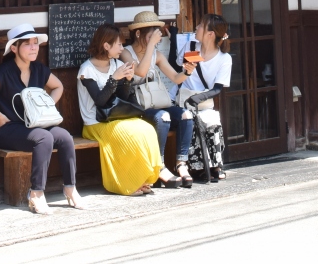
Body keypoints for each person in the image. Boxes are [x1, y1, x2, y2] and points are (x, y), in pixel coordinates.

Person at [0, 23, 86, 214]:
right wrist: (0, 116)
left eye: (35, 43)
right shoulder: (4, 72)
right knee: (44, 138)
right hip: (9, 129)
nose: (34, 47)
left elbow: (58, 86)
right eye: (27, 44)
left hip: (36, 124)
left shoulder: (39, 69)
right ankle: (36, 194)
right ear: (14, 48)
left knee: (65, 137)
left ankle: (70, 188)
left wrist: (46, 108)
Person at [77, 23, 180, 194]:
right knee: (129, 135)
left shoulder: (117, 64)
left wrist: (127, 81)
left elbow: (122, 98)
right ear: (106, 45)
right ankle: (129, 183)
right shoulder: (87, 69)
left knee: (146, 129)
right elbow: (100, 101)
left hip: (116, 117)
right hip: (95, 123)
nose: (121, 48)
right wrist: (114, 79)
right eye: (118, 44)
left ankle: (145, 178)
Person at [122, 11, 197, 187]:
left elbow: (176, 78)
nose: (155, 41)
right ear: (138, 33)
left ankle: (181, 163)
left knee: (186, 115)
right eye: (151, 37)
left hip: (156, 102)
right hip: (137, 105)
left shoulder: (156, 55)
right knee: (163, 117)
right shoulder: (126, 52)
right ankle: (159, 165)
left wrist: (187, 71)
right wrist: (150, 47)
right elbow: (140, 71)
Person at [177, 13, 233, 180]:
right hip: (184, 99)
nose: (197, 27)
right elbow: (177, 67)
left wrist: (198, 98)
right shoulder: (190, 46)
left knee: (213, 121)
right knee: (191, 121)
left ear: (210, 34)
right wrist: (173, 39)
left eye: (200, 25)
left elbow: (217, 89)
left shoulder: (224, 59)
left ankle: (216, 165)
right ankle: (196, 167)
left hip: (204, 101)